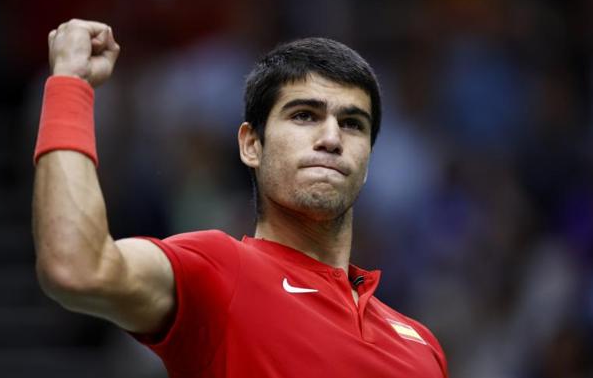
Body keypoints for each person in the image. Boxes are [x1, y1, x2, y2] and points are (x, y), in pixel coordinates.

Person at [33, 19, 448, 378]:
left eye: (353, 124)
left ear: (368, 159)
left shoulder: (421, 346)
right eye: (304, 115)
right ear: (251, 145)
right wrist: (70, 84)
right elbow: (76, 267)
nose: (332, 138)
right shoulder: (220, 272)